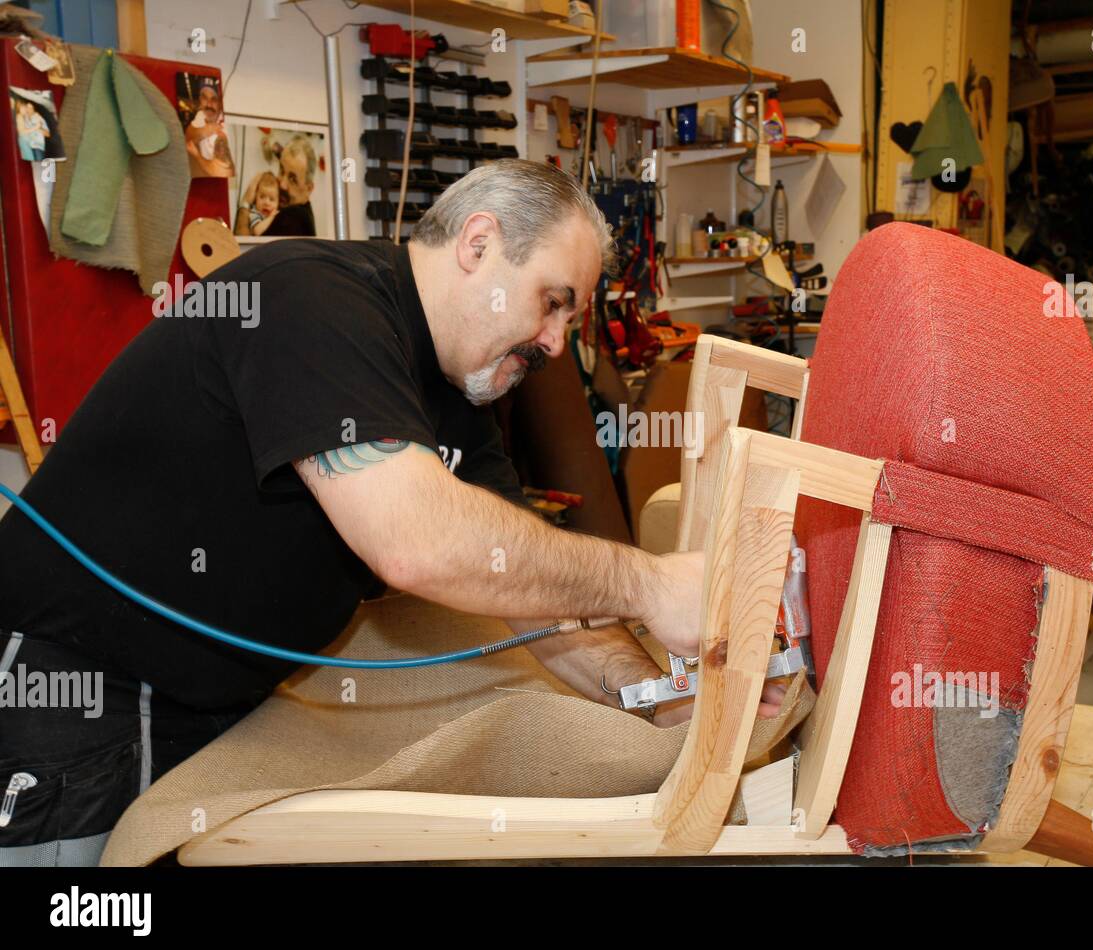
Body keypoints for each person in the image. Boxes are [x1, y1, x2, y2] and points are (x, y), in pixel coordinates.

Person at [0, 159, 786, 866]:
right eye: (552, 303)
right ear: (479, 242)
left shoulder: (454, 397)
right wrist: (651, 586)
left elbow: (534, 592)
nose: (553, 343)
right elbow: (414, 544)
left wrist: (654, 700)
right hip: (72, 696)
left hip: (203, 712)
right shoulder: (313, 302)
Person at [236, 135, 316, 237]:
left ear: (308, 189)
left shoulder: (294, 216)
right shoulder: (285, 208)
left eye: (293, 179)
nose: (282, 185)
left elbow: (242, 251)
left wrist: (245, 203)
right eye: (282, 170)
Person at [245, 171, 280, 236]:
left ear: (278, 202)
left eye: (271, 199)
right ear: (256, 197)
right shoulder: (255, 213)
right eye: (262, 197)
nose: (266, 202)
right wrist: (272, 217)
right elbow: (257, 231)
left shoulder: (277, 213)